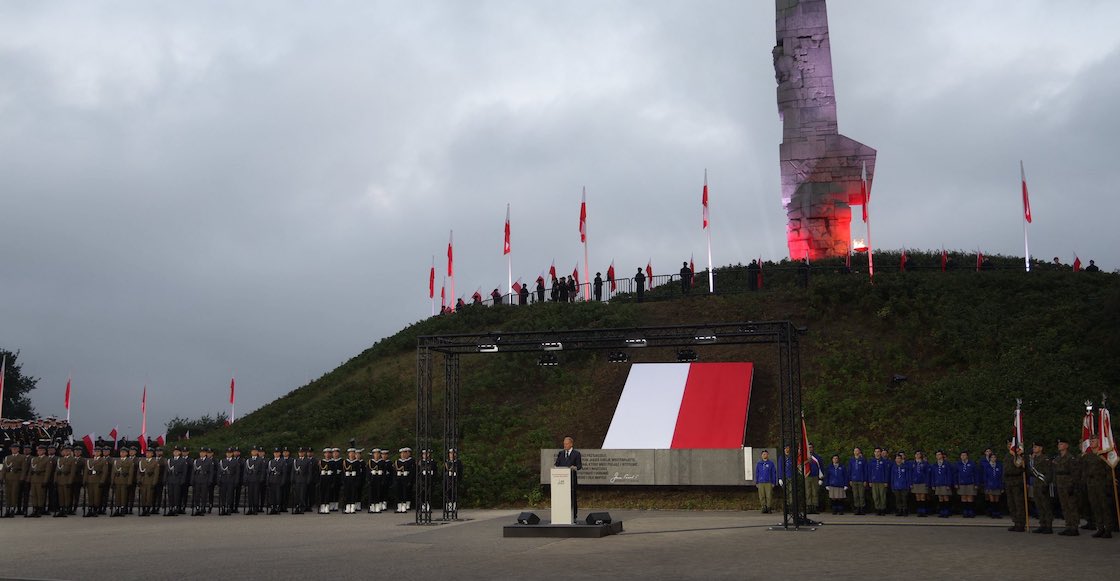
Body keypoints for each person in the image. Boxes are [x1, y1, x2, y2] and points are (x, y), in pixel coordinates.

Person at [1082, 436, 1114, 538]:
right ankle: (1100, 528)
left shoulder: (1103, 454)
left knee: (1104, 506)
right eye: (1090, 441)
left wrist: (1109, 484)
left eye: (1093, 441)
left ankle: (1108, 529)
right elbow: (1084, 470)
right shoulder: (1087, 456)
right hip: (1091, 483)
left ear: (1099, 442)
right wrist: (1084, 483)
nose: (1091, 443)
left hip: (1101, 483)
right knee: (1095, 506)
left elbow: (1109, 470)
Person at [1053, 438, 1081, 535]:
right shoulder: (1057, 458)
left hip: (1068, 484)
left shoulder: (1071, 458)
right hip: (1060, 485)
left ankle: (1074, 527)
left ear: (1066, 446)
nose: (1059, 445)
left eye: (1061, 444)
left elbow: (1075, 473)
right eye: (1058, 444)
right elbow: (1055, 473)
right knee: (1064, 506)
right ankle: (1068, 526)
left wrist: (1072, 485)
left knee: (1071, 506)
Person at [554, 436, 582, 522]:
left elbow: (579, 466)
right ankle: (562, 514)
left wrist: (574, 467)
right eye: (564, 444)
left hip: (571, 481)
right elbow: (557, 464)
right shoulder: (561, 453)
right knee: (561, 498)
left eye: (566, 444)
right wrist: (555, 468)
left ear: (571, 444)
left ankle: (573, 516)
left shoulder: (576, 454)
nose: (564, 445)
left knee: (572, 498)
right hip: (561, 481)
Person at [1028, 441, 1054, 534]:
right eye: (1033, 447)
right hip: (1036, 485)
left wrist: (1046, 484)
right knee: (1039, 506)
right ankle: (1042, 524)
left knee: (1046, 506)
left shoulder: (1045, 459)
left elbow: (1048, 473)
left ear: (1041, 448)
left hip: (1043, 485)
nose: (1034, 448)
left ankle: (1048, 526)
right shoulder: (1034, 459)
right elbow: (1032, 472)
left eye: (1036, 447)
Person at [1003, 441, 1027, 532]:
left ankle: (1021, 523)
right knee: (1011, 504)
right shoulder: (1007, 456)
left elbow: (1020, 468)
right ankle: (1016, 522)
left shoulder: (1019, 455)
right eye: (1008, 444)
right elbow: (1005, 470)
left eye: (1011, 444)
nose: (1010, 446)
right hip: (1008, 482)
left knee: (1018, 503)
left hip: (1016, 482)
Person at [27, 444, 53, 517]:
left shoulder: (47, 459)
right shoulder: (34, 459)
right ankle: (35, 509)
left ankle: (40, 509)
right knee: (34, 495)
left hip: (41, 479)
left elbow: (48, 471)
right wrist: (29, 479)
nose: (39, 451)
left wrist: (45, 480)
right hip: (33, 479)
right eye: (38, 450)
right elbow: (31, 470)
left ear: (44, 451)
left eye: (41, 450)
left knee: (40, 495)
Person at [3, 442, 27, 517]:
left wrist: (22, 478)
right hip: (8, 477)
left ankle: (13, 509)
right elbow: (4, 469)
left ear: (18, 449)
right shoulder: (7, 457)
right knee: (7, 494)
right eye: (13, 448)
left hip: (16, 477)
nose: (14, 449)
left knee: (14, 494)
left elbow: (24, 469)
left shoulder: (22, 457)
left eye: (15, 448)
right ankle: (7, 509)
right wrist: (1, 478)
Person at [111, 447, 136, 517]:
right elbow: (113, 472)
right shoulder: (116, 461)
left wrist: (129, 482)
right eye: (121, 452)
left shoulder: (129, 461)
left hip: (124, 481)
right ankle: (117, 509)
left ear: (126, 453)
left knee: (123, 496)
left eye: (124, 452)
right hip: (117, 481)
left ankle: (122, 509)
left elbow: (131, 473)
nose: (122, 453)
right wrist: (112, 481)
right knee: (117, 496)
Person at [930, 450, 955, 518]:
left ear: (942, 455)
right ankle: (942, 511)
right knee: (940, 497)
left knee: (945, 497)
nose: (938, 456)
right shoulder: (934, 465)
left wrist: (948, 484)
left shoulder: (946, 464)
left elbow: (949, 475)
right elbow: (933, 475)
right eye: (937, 455)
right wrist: (933, 484)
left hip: (945, 483)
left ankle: (947, 511)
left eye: (939, 454)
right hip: (938, 483)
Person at [137, 447, 162, 517]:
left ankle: (148, 510)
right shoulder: (142, 461)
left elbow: (156, 474)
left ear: (152, 454)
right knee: (143, 496)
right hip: (143, 481)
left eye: (149, 453)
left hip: (150, 482)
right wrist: (138, 480)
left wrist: (154, 483)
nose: (148, 454)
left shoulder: (155, 462)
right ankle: (143, 509)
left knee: (149, 496)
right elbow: (139, 472)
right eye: (147, 452)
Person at [954, 450, 979, 518]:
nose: (963, 457)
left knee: (970, 497)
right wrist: (956, 483)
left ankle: (970, 511)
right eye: (962, 455)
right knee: (963, 497)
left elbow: (976, 474)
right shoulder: (958, 464)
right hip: (961, 483)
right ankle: (965, 511)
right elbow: (955, 474)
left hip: (970, 483)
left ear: (967, 456)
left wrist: (976, 483)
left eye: (964, 455)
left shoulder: (972, 463)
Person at [164, 446, 188, 516]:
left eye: (177, 451)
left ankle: (176, 508)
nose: (175, 453)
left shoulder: (183, 460)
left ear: (180, 453)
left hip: (178, 479)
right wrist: (165, 479)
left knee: (176, 495)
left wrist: (182, 480)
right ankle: (171, 507)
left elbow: (184, 472)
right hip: (170, 479)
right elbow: (166, 471)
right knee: (170, 494)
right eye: (174, 451)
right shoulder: (170, 460)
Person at [190, 447, 214, 516]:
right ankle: (197, 507)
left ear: (206, 453)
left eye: (203, 452)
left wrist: (210, 480)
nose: (202, 454)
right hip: (197, 479)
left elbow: (211, 472)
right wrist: (192, 480)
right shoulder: (196, 461)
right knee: (197, 495)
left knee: (204, 495)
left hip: (205, 479)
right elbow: (193, 472)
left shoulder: (209, 461)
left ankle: (203, 507)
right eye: (201, 452)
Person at [981, 448, 1004, 518]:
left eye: (994, 457)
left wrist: (1002, 486)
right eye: (992, 457)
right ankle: (993, 512)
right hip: (990, 485)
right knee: (991, 499)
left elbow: (1001, 476)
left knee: (997, 499)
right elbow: (985, 477)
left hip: (997, 484)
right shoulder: (987, 466)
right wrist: (986, 485)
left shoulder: (999, 466)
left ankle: (997, 512)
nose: (993, 458)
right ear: (990, 458)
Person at [868, 447, 891, 516]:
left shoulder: (884, 461)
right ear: (874, 453)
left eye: (878, 451)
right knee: (875, 496)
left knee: (882, 496)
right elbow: (869, 472)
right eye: (876, 451)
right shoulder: (871, 461)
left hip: (882, 481)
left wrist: (886, 481)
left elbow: (886, 472)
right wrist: (870, 481)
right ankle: (877, 509)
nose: (877, 453)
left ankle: (882, 509)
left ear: (880, 453)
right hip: (874, 481)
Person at [217, 447, 240, 515]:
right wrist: (218, 480)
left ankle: (228, 508)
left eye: (230, 453)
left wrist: (236, 481)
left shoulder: (235, 462)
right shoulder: (222, 461)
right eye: (227, 453)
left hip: (231, 480)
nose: (228, 454)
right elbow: (219, 472)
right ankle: (223, 507)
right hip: (223, 480)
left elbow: (237, 473)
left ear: (232, 453)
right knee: (223, 495)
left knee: (230, 495)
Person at [909, 450, 932, 517]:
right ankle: (919, 511)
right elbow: (910, 474)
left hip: (923, 482)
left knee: (922, 497)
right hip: (915, 482)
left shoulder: (924, 463)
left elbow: (927, 473)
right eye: (916, 454)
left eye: (919, 454)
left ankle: (923, 511)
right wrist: (911, 483)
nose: (917, 455)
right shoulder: (913, 463)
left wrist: (927, 482)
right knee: (917, 497)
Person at [847, 447, 869, 515]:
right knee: (855, 495)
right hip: (853, 480)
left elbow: (865, 470)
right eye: (855, 451)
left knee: (861, 495)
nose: (856, 452)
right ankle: (857, 508)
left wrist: (865, 480)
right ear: (853, 452)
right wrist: (850, 479)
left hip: (861, 480)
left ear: (859, 452)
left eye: (857, 451)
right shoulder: (851, 460)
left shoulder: (863, 460)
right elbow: (849, 470)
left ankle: (862, 508)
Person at [266, 447, 288, 514]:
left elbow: (284, 473)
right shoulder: (271, 462)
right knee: (272, 496)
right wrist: (268, 481)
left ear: (279, 453)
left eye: (277, 453)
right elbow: (268, 473)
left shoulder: (283, 461)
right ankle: (273, 507)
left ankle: (278, 507)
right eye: (275, 453)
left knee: (278, 495)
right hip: (272, 481)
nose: (276, 454)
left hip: (279, 480)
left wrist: (283, 481)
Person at [394, 447, 415, 513]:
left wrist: (410, 480)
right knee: (398, 492)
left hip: (406, 478)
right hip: (399, 478)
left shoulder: (409, 462)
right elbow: (394, 471)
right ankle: (399, 506)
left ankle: (404, 506)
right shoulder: (397, 462)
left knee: (405, 492)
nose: (403, 455)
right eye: (402, 453)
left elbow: (412, 472)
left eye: (404, 453)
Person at [803, 443, 823, 514]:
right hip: (807, 476)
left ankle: (815, 507)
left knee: (815, 492)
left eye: (811, 447)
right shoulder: (805, 457)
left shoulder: (817, 457)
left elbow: (821, 467)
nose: (810, 449)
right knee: (808, 492)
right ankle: (809, 507)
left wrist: (821, 478)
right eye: (808, 447)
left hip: (815, 476)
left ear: (813, 448)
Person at [890, 452, 910, 516]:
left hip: (904, 486)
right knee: (897, 499)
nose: (898, 460)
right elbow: (892, 477)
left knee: (904, 498)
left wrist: (908, 485)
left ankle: (905, 510)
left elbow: (907, 477)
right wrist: (892, 486)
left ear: (901, 459)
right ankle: (899, 510)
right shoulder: (893, 467)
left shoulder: (905, 467)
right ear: (895, 460)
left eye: (899, 458)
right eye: (897, 458)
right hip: (896, 486)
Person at [417, 449, 437, 514]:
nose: (426, 455)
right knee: (422, 493)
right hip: (422, 480)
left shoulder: (432, 462)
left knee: (429, 493)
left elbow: (435, 471)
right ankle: (423, 505)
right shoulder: (420, 462)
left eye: (427, 454)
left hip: (430, 480)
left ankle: (428, 505)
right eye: (424, 454)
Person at [445, 448, 462, 516]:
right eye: (450, 453)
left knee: (454, 493)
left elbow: (460, 472)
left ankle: (454, 505)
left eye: (453, 453)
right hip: (448, 480)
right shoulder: (447, 462)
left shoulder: (458, 462)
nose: (452, 455)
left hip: (455, 480)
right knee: (448, 493)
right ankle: (448, 506)